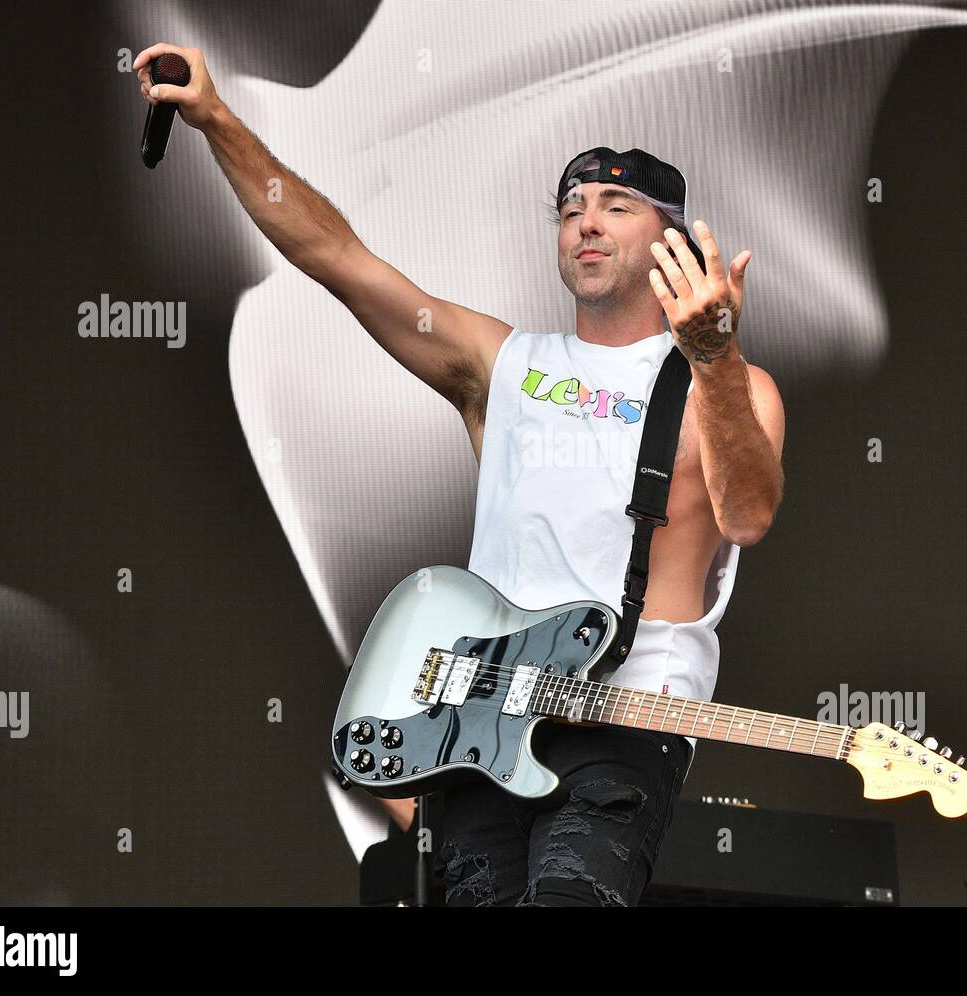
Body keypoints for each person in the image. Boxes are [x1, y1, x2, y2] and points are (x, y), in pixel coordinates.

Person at [134, 43, 786, 906]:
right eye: (571, 207)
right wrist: (217, 119)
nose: (585, 221)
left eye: (616, 205)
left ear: (669, 239)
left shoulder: (727, 381)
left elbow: (747, 517)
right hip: (477, 723)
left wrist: (713, 353)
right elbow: (339, 257)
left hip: (620, 720)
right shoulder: (503, 363)